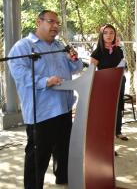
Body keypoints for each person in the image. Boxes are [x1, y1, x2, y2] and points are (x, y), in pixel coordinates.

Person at [7, 10, 83, 188]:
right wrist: (44, 81)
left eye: (57, 23)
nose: (56, 26)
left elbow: (76, 68)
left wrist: (74, 57)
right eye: (51, 22)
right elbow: (19, 73)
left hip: (64, 107)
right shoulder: (23, 47)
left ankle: (62, 177)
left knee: (63, 149)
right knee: (38, 156)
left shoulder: (59, 46)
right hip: (42, 112)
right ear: (38, 22)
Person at [90, 24, 128, 141]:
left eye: (111, 32)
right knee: (107, 111)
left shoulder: (119, 50)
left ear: (115, 35)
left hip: (119, 83)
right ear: (101, 35)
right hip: (104, 85)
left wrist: (124, 67)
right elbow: (91, 72)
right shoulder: (97, 52)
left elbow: (123, 66)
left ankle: (118, 131)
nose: (109, 35)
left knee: (118, 106)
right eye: (106, 33)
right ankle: (106, 137)